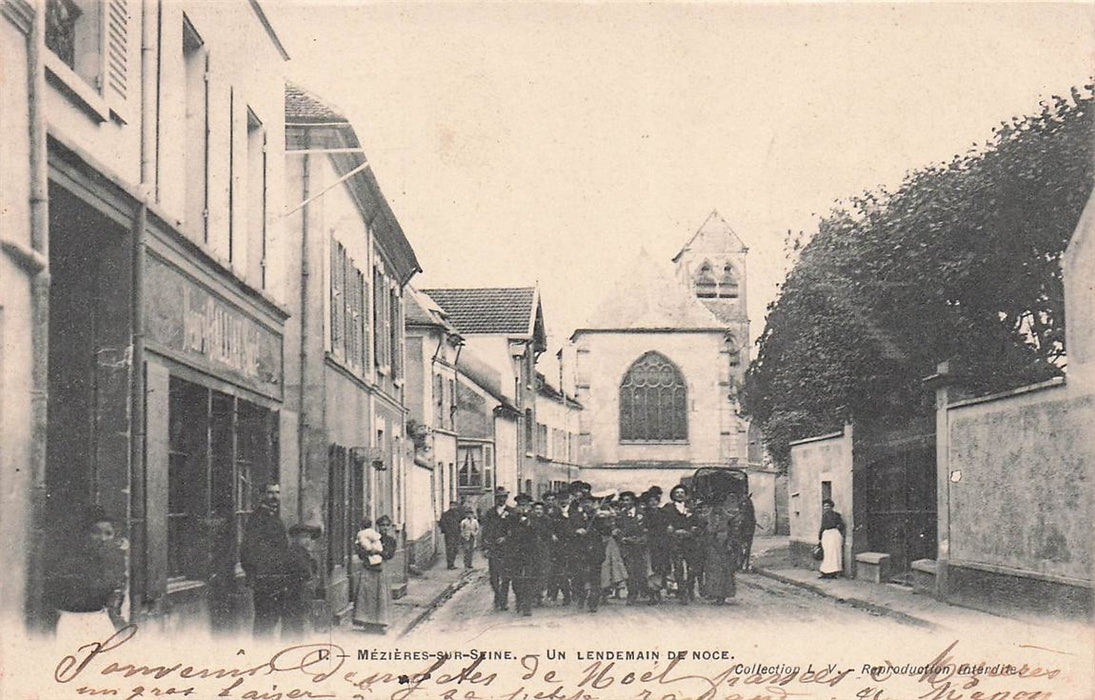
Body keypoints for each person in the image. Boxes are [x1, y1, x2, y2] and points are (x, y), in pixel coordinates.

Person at [49, 506, 127, 647]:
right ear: (84, 534)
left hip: (100, 619)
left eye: (108, 533)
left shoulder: (112, 561)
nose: (102, 538)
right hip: (72, 620)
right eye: (96, 532)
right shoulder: (71, 562)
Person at [240, 483, 291, 637]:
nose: (275, 497)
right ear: (262, 495)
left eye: (277, 493)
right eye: (270, 493)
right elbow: (248, 550)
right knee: (264, 620)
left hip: (276, 578)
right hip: (264, 578)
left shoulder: (274, 517)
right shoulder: (257, 519)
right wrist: (254, 574)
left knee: (271, 619)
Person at [698, 489, 743, 605]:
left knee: (724, 570)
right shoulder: (706, 516)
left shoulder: (729, 516)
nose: (717, 507)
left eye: (719, 504)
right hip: (710, 545)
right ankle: (712, 592)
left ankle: (722, 595)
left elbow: (734, 531)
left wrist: (730, 542)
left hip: (724, 545)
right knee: (711, 569)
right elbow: (701, 528)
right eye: (715, 504)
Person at [662, 484, 702, 604]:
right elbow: (664, 522)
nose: (679, 495)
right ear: (673, 495)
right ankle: (682, 592)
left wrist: (692, 530)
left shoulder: (691, 508)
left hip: (690, 541)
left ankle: (690, 588)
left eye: (682, 493)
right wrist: (670, 529)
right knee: (678, 567)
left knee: (692, 567)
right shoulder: (668, 508)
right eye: (677, 493)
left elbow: (698, 522)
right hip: (675, 541)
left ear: (685, 495)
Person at [352, 517, 391, 632]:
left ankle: (380, 623)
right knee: (367, 594)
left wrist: (378, 552)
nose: (384, 528)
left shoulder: (390, 540)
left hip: (381, 569)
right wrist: (367, 552)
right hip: (368, 568)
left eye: (387, 525)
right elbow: (360, 551)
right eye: (382, 525)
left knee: (380, 595)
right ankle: (367, 622)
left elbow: (389, 554)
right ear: (378, 526)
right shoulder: (369, 536)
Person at [283, 523, 320, 638]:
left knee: (301, 621)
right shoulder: (294, 553)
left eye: (309, 537)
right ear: (295, 538)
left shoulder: (304, 552)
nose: (307, 540)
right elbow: (302, 572)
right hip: (296, 593)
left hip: (303, 594)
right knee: (295, 623)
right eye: (303, 537)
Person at [615, 491, 650, 605]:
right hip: (627, 546)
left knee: (642, 569)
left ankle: (647, 592)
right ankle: (632, 594)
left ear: (633, 501)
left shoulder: (642, 513)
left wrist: (642, 539)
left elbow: (648, 528)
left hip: (641, 546)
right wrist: (623, 538)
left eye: (628, 500)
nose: (625, 502)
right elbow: (617, 530)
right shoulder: (621, 515)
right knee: (629, 570)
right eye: (623, 500)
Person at [481, 487, 513, 611]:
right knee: (494, 576)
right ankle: (497, 595)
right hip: (493, 548)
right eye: (499, 497)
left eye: (504, 497)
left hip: (507, 549)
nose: (501, 499)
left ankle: (503, 601)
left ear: (506, 498)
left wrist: (506, 538)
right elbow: (485, 531)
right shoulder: (490, 513)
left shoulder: (511, 512)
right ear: (496, 498)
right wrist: (485, 548)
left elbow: (515, 530)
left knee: (506, 576)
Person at [506, 494, 537, 616]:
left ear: (529, 505)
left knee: (529, 577)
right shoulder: (511, 516)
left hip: (530, 551)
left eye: (525, 504)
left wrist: (528, 522)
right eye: (520, 504)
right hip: (515, 551)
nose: (523, 507)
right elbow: (508, 531)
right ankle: (519, 599)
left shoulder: (534, 516)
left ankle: (527, 605)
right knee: (516, 578)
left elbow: (537, 530)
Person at [642, 489, 671, 604]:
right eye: (650, 501)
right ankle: (651, 594)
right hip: (649, 543)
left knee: (660, 567)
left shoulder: (664, 513)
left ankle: (658, 591)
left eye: (655, 500)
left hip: (662, 543)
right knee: (650, 568)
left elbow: (668, 526)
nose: (653, 503)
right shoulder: (644, 514)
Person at [818, 499, 846, 579]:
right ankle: (825, 572)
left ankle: (834, 572)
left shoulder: (837, 515)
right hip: (826, 535)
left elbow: (842, 525)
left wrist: (838, 526)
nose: (826, 507)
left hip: (834, 535)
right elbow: (822, 527)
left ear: (831, 507)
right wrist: (820, 537)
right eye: (824, 506)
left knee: (834, 553)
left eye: (828, 506)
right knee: (827, 553)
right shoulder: (824, 516)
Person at [439, 501, 464, 570]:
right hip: (449, 535)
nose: (453, 507)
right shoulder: (445, 514)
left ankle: (452, 563)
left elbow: (460, 523)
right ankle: (450, 564)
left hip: (456, 534)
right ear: (449, 506)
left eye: (454, 506)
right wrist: (447, 531)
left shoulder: (457, 514)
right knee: (450, 549)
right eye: (452, 506)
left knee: (455, 549)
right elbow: (442, 523)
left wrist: (460, 531)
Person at [738, 493, 757, 572]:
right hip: (742, 526)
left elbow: (751, 512)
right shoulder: (741, 503)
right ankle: (740, 563)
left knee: (748, 547)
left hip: (749, 525)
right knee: (740, 546)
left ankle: (746, 564)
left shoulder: (749, 504)